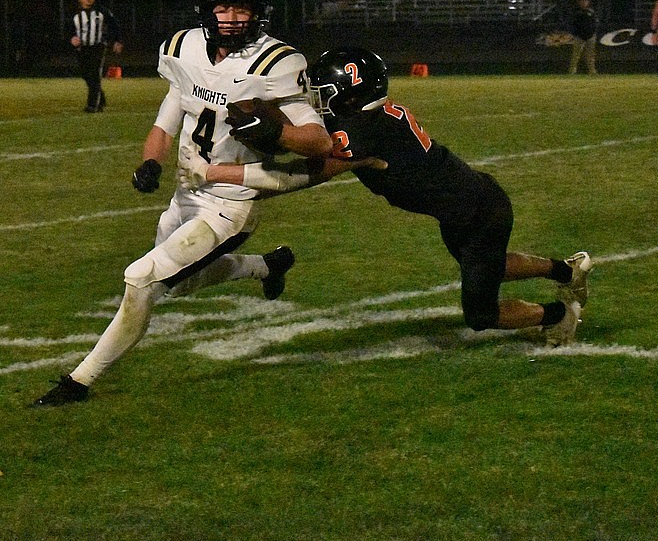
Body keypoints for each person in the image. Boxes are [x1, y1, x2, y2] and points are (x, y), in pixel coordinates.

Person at [31, 0, 333, 406]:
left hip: (231, 204)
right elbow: (171, 111)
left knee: (142, 278)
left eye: (242, 9)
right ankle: (268, 266)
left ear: (258, 11)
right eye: (221, 8)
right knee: (179, 283)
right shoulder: (184, 49)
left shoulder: (276, 62)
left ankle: (79, 381)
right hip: (186, 193)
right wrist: (151, 161)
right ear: (205, 9)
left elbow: (319, 140)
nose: (230, 19)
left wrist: (279, 134)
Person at [182, 47, 593, 347]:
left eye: (325, 90)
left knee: (481, 314)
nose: (318, 98)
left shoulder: (361, 133)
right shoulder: (368, 118)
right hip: (470, 206)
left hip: (478, 213)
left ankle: (560, 316)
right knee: (490, 266)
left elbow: (301, 176)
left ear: (348, 89)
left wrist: (219, 174)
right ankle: (566, 272)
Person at [70, 0, 123, 113]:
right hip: (82, 49)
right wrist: (72, 39)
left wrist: (117, 41)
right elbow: (69, 30)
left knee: (94, 74)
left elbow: (114, 25)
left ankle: (93, 105)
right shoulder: (75, 13)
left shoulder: (102, 11)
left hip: (98, 47)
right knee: (86, 74)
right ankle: (101, 98)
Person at [567, 0, 598, 74]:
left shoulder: (591, 12)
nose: (584, 2)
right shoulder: (576, 12)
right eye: (582, 1)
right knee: (576, 55)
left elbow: (595, 23)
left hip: (590, 36)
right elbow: (572, 24)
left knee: (590, 55)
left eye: (586, 1)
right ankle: (572, 71)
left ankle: (592, 71)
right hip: (579, 36)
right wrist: (574, 34)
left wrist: (593, 32)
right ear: (579, 2)